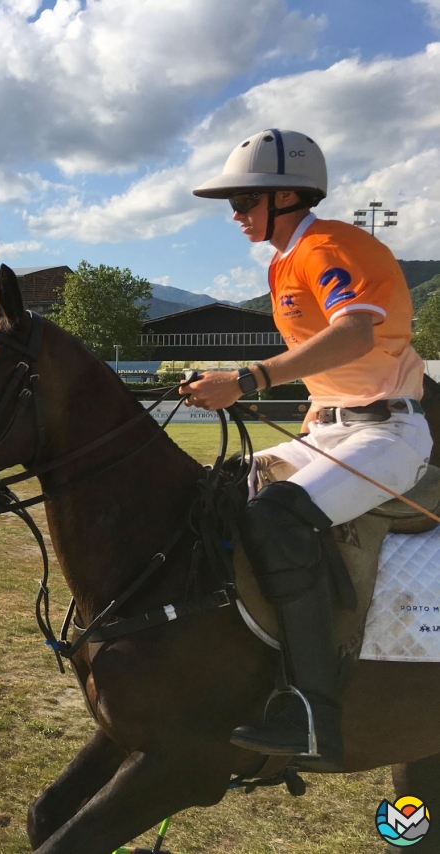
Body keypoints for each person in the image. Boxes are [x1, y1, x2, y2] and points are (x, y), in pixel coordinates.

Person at [184, 129, 433, 771]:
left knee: (278, 517)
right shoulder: (283, 259)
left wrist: (247, 380)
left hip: (386, 433)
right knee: (222, 493)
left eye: (244, 202)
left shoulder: (328, 246)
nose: (235, 216)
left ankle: (314, 712)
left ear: (286, 194)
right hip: (331, 429)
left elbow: (354, 334)